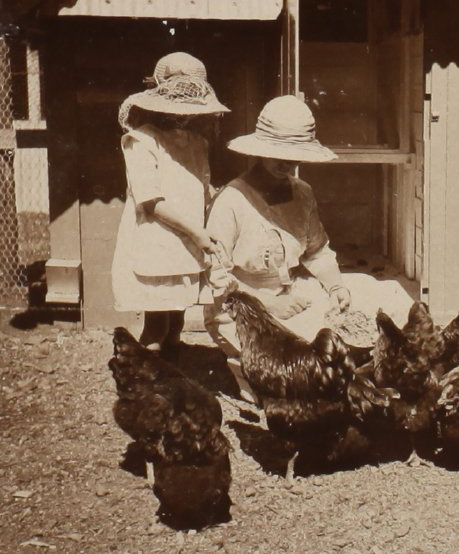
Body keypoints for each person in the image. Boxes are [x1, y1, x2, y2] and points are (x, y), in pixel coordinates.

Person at [204, 95, 413, 403]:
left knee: (377, 293)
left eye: (294, 157)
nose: (287, 164)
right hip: (241, 308)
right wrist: (267, 306)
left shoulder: (302, 193)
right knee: (302, 355)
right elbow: (215, 277)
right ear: (259, 152)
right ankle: (253, 375)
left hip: (291, 292)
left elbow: (317, 251)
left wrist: (336, 286)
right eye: (279, 155)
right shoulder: (232, 200)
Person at [111, 52, 229, 353]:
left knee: (177, 317)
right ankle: (144, 381)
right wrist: (196, 232)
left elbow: (200, 187)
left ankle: (171, 375)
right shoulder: (142, 140)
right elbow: (151, 201)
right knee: (157, 323)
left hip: (188, 242)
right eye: (174, 107)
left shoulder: (197, 143)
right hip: (158, 239)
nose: (182, 115)